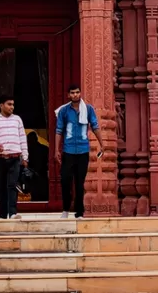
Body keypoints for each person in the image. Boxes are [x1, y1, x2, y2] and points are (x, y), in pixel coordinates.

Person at [53, 84, 104, 218]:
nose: (75, 95)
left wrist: (102, 144)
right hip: (68, 150)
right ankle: (65, 209)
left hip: (82, 150)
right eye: (72, 93)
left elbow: (95, 126)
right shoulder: (64, 111)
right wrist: (56, 150)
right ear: (68, 95)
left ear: (80, 94)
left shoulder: (88, 109)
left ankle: (79, 212)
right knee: (65, 180)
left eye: (77, 92)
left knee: (80, 182)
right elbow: (59, 130)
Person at [0, 95, 28, 220]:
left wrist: (25, 157)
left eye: (13, 104)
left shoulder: (17, 120)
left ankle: (13, 213)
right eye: (9, 104)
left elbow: (22, 138)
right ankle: (3, 215)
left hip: (15, 157)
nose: (12, 107)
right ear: (1, 105)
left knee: (12, 185)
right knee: (0, 187)